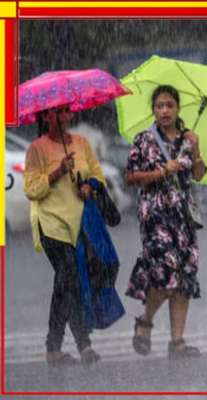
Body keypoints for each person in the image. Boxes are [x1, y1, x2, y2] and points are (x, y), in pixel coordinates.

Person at [125, 85, 207, 360]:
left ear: (178, 109)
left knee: (184, 276)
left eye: (169, 105)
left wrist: (196, 150)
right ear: (153, 110)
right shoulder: (144, 140)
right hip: (155, 213)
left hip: (183, 215)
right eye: (159, 106)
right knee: (165, 273)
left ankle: (177, 342)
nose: (164, 111)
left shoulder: (188, 138)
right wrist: (161, 171)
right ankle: (145, 321)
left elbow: (198, 175)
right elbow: (130, 176)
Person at [24, 105, 104, 366]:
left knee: (65, 284)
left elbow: (97, 176)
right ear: (46, 116)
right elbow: (32, 190)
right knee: (69, 278)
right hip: (50, 224)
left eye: (65, 111)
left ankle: (53, 348)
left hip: (77, 224)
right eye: (55, 112)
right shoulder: (37, 148)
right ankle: (84, 345)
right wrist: (58, 171)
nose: (61, 117)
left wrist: (88, 187)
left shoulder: (81, 143)